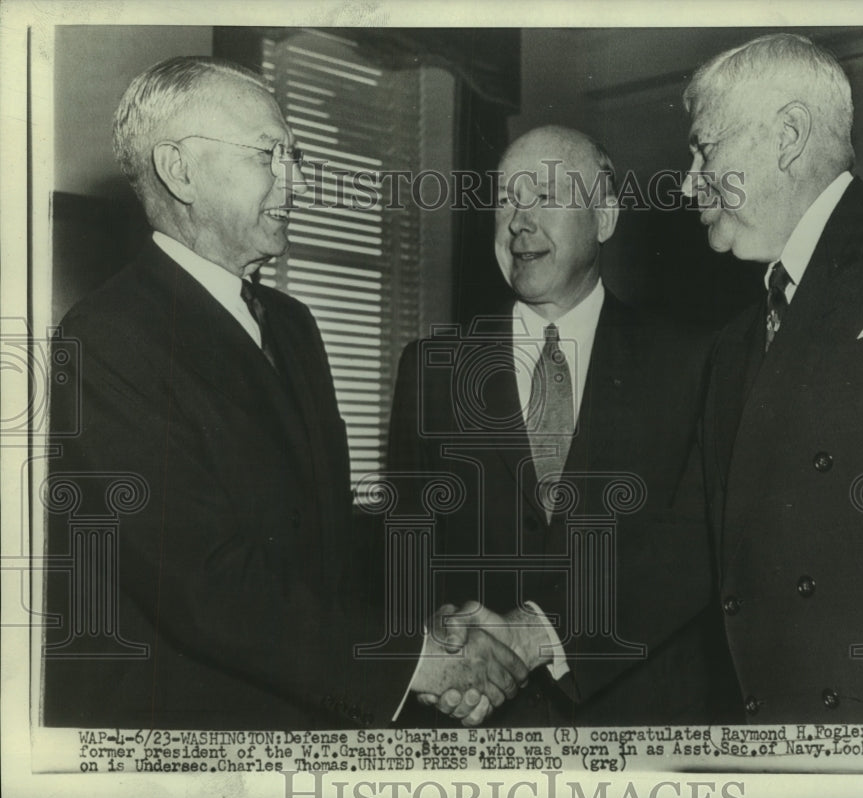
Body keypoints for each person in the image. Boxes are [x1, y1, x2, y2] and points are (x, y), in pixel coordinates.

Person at [43, 56, 527, 730]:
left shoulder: (293, 325)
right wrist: (418, 659)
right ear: (179, 170)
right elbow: (205, 585)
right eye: (270, 154)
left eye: (293, 154)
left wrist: (426, 626)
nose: (296, 179)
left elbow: (325, 541)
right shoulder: (105, 338)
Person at [388, 125, 738, 726]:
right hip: (475, 735)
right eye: (505, 199)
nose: (518, 221)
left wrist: (541, 632)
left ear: (604, 216)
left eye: (544, 195)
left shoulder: (696, 362)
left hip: (641, 739)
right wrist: (435, 642)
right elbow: (401, 559)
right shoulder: (432, 371)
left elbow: (704, 554)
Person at [683, 33, 863, 723]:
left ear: (786, 135)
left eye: (704, 149)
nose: (689, 179)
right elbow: (701, 555)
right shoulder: (731, 346)